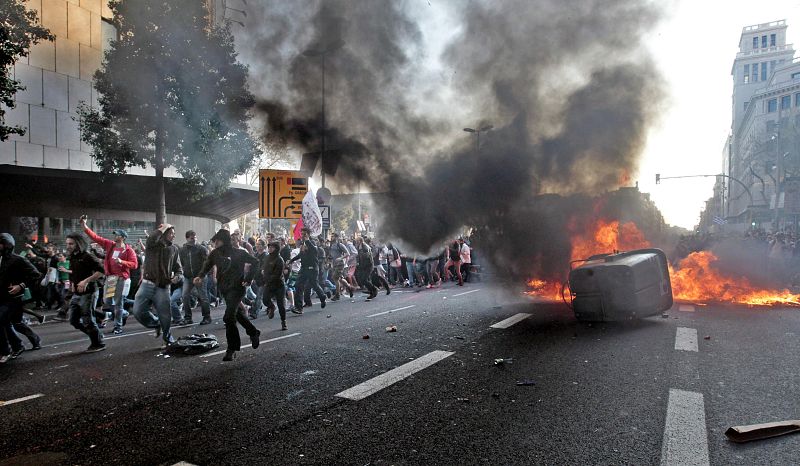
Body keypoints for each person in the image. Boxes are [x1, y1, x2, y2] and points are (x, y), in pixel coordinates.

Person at [195, 229, 261, 361]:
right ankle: (253, 331)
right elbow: (207, 265)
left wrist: (248, 279)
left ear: (223, 241)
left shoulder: (239, 252)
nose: (214, 244)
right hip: (224, 289)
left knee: (229, 317)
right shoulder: (215, 253)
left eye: (216, 241)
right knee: (236, 314)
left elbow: (255, 262)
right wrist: (200, 276)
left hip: (237, 288)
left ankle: (232, 348)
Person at [82, 218, 138, 335]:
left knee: (118, 303)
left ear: (122, 237)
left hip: (122, 278)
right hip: (111, 278)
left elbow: (134, 265)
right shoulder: (110, 245)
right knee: (107, 302)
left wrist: (122, 262)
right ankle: (123, 313)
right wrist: (85, 226)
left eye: (117, 234)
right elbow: (96, 237)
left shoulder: (129, 250)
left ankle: (118, 326)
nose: (115, 236)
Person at [132, 224, 183, 346]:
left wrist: (177, 276)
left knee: (165, 315)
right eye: (171, 233)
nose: (173, 235)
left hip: (163, 287)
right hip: (147, 284)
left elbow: (178, 268)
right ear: (164, 233)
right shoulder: (151, 246)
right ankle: (156, 324)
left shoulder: (174, 249)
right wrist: (162, 228)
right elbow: (151, 238)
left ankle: (167, 337)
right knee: (138, 311)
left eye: (174, 233)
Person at [0, 233, 42, 363]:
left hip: (13, 298)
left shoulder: (17, 259)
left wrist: (21, 285)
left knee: (5, 321)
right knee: (10, 323)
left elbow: (36, 274)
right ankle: (18, 346)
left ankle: (5, 351)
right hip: (1, 298)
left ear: (6, 245)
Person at [64, 232, 106, 352]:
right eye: (67, 243)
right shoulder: (73, 256)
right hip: (77, 293)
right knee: (74, 320)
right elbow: (74, 271)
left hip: (89, 292)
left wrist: (86, 281)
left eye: (71, 244)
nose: (68, 246)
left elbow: (101, 271)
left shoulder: (87, 256)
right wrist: (72, 284)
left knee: (88, 320)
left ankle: (98, 343)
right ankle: (97, 336)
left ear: (78, 243)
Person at [287, 228, 327, 313]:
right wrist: (291, 260)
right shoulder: (303, 244)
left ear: (308, 234)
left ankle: (322, 297)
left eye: (304, 234)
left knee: (315, 285)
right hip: (304, 268)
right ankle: (298, 307)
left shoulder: (311, 242)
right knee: (298, 285)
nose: (302, 235)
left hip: (312, 268)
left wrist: (307, 240)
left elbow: (314, 250)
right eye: (302, 234)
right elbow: (300, 254)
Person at [178, 230, 212, 325]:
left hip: (200, 276)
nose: (194, 240)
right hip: (188, 277)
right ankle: (188, 317)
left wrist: (202, 275)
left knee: (203, 296)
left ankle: (207, 317)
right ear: (187, 238)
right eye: (192, 238)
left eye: (195, 237)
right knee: (185, 295)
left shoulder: (201, 249)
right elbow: (181, 263)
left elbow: (207, 263)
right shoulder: (183, 250)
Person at [260, 241, 288, 330]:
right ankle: (271, 306)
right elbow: (263, 268)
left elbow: (277, 274)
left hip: (278, 285)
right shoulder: (267, 257)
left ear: (276, 249)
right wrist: (262, 273)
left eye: (272, 247)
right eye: (269, 247)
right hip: (268, 284)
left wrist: (267, 277)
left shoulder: (280, 259)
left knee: (281, 305)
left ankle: (283, 321)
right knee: (265, 300)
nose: (270, 249)